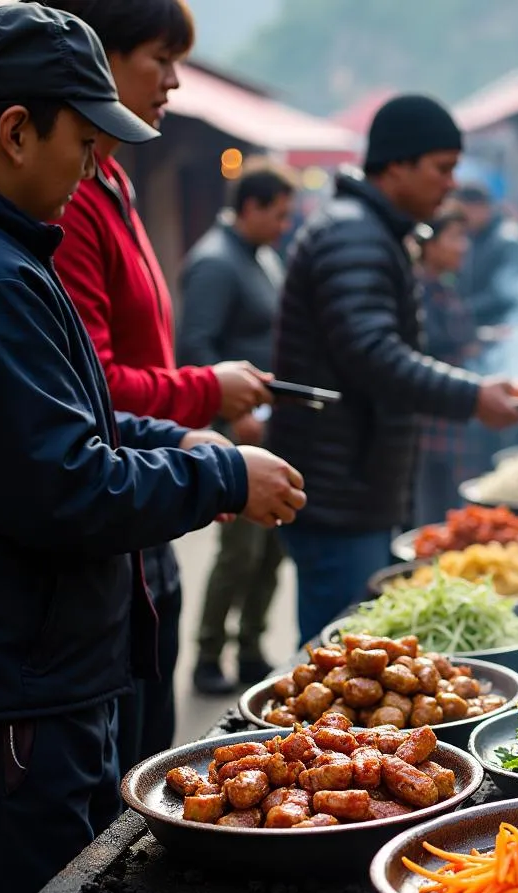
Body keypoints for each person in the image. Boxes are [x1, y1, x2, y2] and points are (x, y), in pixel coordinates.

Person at [0, 6, 306, 893]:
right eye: (83, 141)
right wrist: (216, 477)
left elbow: (86, 420)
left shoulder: (20, 256)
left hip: (57, 672)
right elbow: (67, 482)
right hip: (22, 695)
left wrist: (193, 445)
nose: (90, 168)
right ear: (15, 131)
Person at [33, 0, 273, 766]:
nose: (174, 81)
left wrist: (183, 436)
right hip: (103, 540)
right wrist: (204, 408)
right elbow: (87, 399)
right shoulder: (58, 212)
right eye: (158, 59)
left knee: (148, 747)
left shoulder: (108, 182)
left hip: (143, 510)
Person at [270, 94, 518, 646]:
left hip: (355, 486)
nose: (450, 184)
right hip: (340, 492)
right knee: (336, 654)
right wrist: (471, 395)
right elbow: (372, 353)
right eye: (441, 168)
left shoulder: (371, 229)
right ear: (396, 165)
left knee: (349, 643)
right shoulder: (353, 233)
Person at [178, 158, 298, 695]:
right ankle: (208, 653)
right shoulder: (214, 262)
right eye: (277, 214)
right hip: (232, 430)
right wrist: (233, 415)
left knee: (270, 546)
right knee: (238, 552)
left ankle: (250, 647)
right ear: (249, 207)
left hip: (266, 423)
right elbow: (195, 347)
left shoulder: (263, 257)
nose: (283, 225)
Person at [415, 205, 487, 525]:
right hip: (429, 423)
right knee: (433, 515)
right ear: (429, 243)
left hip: (452, 416)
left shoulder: (443, 288)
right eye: (456, 237)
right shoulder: (416, 292)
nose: (464, 246)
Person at [453, 181, 518, 332]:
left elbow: (510, 290)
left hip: (505, 329)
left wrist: (465, 309)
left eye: (464, 213)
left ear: (481, 207)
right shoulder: (473, 237)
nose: (461, 220)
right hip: (477, 328)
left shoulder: (509, 238)